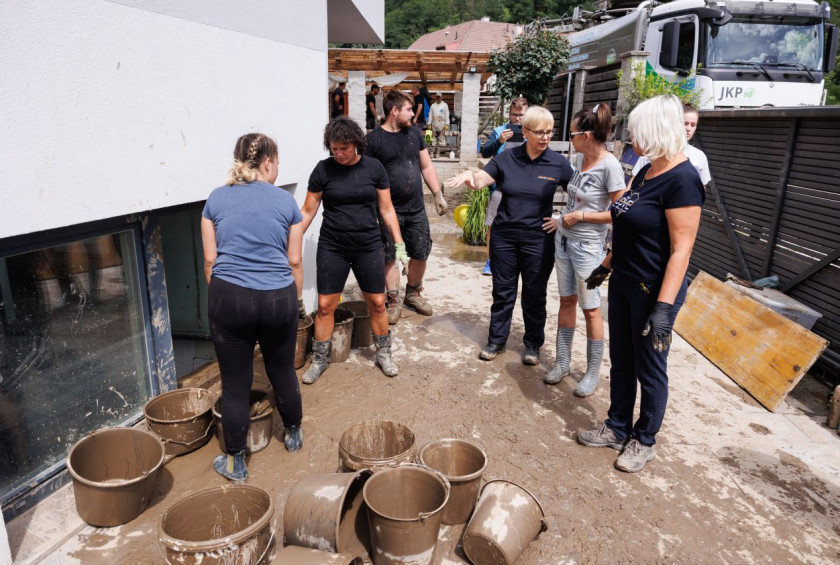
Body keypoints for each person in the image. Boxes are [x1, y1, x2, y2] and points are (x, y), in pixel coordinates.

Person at [577, 95, 704, 473]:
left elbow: (681, 251)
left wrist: (664, 309)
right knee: (623, 360)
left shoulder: (684, 180)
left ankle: (643, 439)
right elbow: (628, 223)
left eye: (638, 132)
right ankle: (617, 426)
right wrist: (606, 265)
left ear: (657, 131)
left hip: (654, 290)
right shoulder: (646, 169)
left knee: (650, 367)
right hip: (625, 279)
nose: (632, 139)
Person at [201, 133, 304, 482]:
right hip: (278, 297)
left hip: (229, 295)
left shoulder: (215, 199)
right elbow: (294, 261)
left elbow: (210, 261)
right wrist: (297, 304)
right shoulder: (286, 203)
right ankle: (292, 434)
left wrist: (225, 302)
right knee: (282, 370)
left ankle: (235, 463)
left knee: (235, 384)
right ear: (268, 163)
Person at [446, 107, 573, 364]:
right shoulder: (507, 158)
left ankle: (532, 344)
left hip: (538, 240)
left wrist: (562, 219)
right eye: (539, 132)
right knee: (503, 292)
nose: (545, 137)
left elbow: (582, 196)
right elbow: (481, 179)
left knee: (534, 294)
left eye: (549, 132)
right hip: (505, 238)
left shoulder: (558, 163)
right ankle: (496, 340)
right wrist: (470, 175)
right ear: (524, 131)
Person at [299, 117, 409, 384]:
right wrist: (288, 241)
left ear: (356, 144)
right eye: (334, 149)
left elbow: (386, 209)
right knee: (325, 306)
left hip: (367, 245)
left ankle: (383, 353)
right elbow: (307, 212)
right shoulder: (323, 170)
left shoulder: (374, 168)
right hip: (332, 246)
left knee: (377, 302)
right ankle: (321, 358)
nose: (338, 154)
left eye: (344, 148)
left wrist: (399, 243)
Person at [544, 104, 626, 397]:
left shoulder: (611, 166)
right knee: (566, 301)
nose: (571, 140)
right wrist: (562, 219)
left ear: (587, 136)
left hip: (589, 248)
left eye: (573, 134)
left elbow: (621, 212)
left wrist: (581, 217)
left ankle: (591, 373)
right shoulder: (580, 159)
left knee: (590, 309)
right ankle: (562, 361)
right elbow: (574, 201)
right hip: (564, 242)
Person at [365, 90, 448, 323]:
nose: (414, 113)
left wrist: (438, 194)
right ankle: (393, 300)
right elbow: (366, 176)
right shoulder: (372, 140)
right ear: (394, 111)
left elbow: (426, 166)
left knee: (421, 251)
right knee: (389, 255)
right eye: (409, 109)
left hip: (416, 208)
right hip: (387, 211)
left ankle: (412, 292)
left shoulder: (414, 134)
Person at [479, 97, 529, 275]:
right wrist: (499, 141)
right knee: (493, 225)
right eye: (514, 115)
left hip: (524, 189)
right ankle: (490, 261)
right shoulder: (499, 130)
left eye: (521, 115)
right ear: (509, 113)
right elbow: (485, 152)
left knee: (520, 226)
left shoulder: (530, 132)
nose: (517, 119)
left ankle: (515, 260)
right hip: (500, 187)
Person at [630, 103, 711, 186]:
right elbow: (633, 183)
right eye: (685, 124)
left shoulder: (699, 156)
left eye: (693, 125)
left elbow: (701, 187)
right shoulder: (652, 150)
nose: (688, 129)